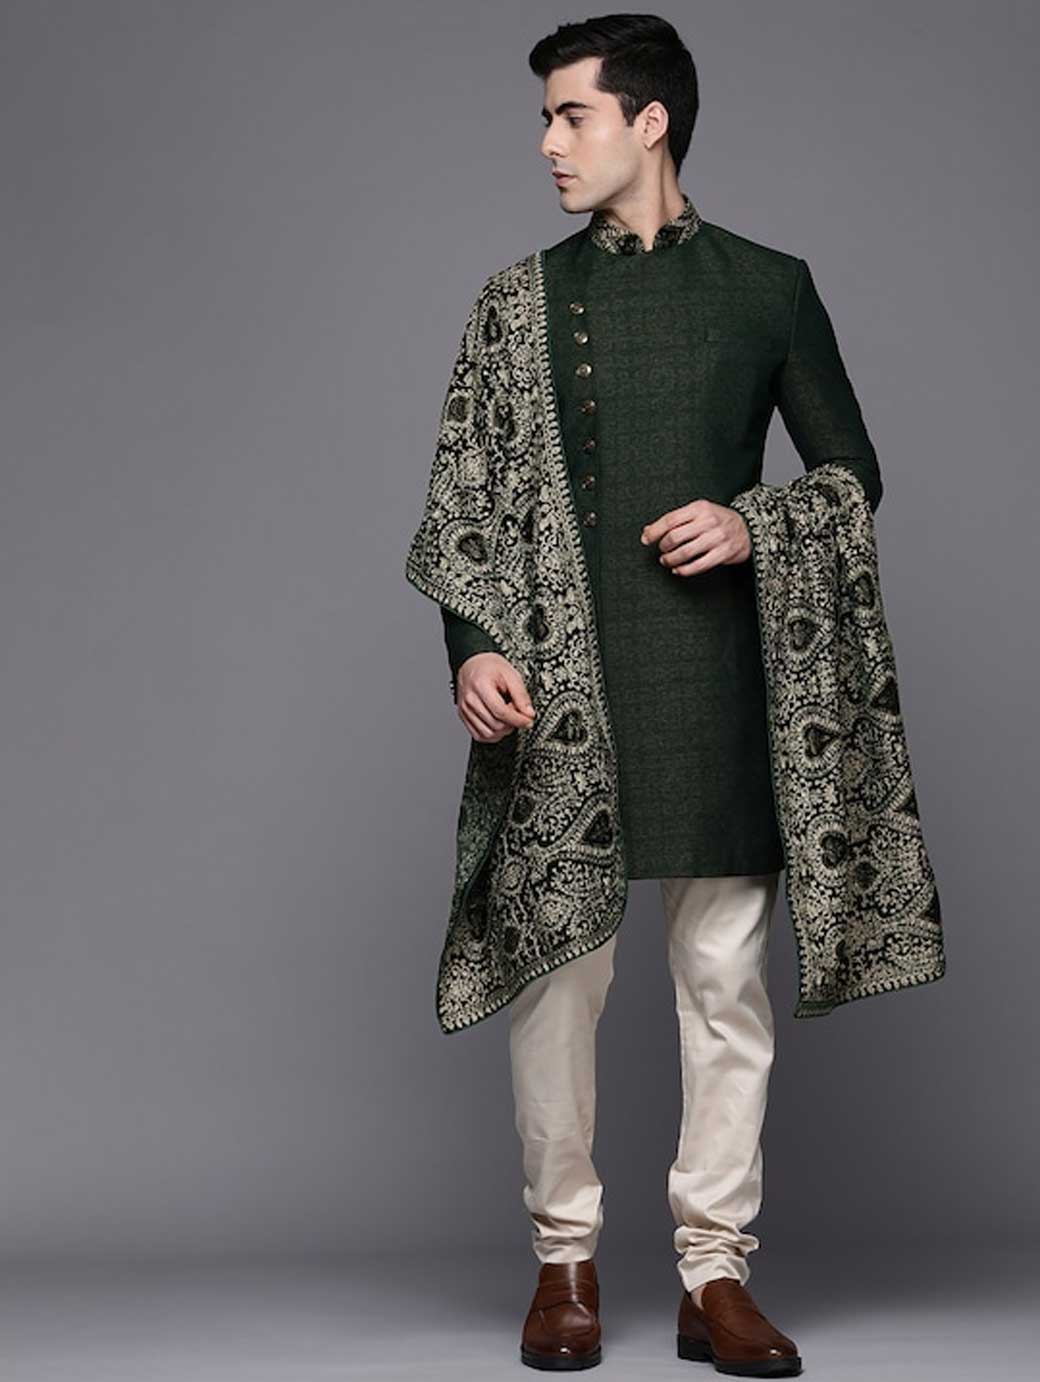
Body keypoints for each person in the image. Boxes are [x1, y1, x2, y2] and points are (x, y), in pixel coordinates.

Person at [431, 14, 885, 1376]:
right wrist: (474, 644)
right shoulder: (515, 302)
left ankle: (714, 1273)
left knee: (724, 983)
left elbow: (852, 474)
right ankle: (563, 1260)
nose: (547, 143)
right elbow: (467, 498)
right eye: (545, 118)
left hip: (718, 679)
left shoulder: (769, 288)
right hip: (562, 689)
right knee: (556, 981)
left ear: (650, 122)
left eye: (570, 114)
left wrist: (755, 523)